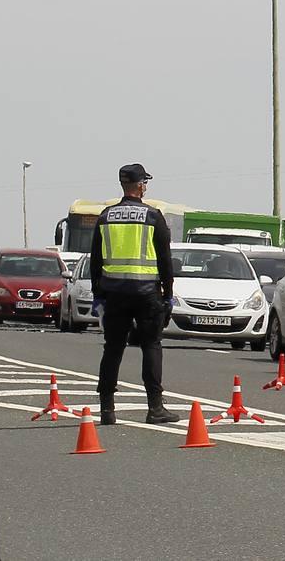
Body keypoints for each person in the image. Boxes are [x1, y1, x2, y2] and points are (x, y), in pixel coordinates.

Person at [89, 163, 178, 426]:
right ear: (140, 186)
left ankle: (107, 409)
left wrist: (98, 294)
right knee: (151, 346)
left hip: (115, 293)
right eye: (145, 183)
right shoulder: (153, 216)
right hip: (147, 292)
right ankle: (155, 408)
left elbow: (96, 259)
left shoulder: (106, 216)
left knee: (113, 349)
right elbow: (165, 259)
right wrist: (168, 294)